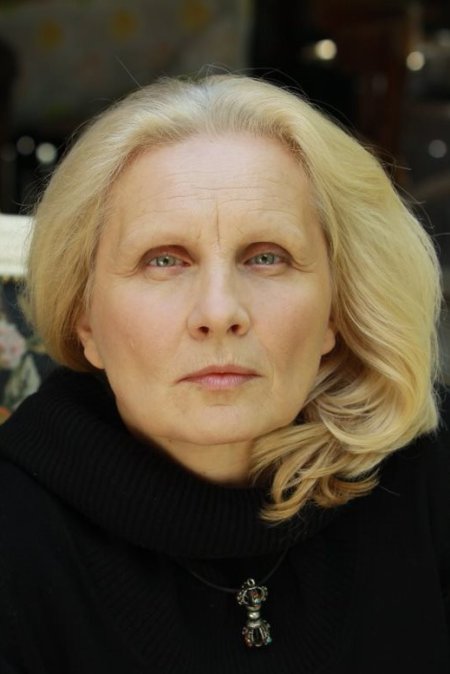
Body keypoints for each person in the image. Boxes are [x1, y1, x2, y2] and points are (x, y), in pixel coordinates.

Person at [0, 73, 448, 674]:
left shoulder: (427, 477)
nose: (219, 312)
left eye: (266, 257)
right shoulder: (15, 536)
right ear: (85, 320)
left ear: (335, 310)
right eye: (163, 260)